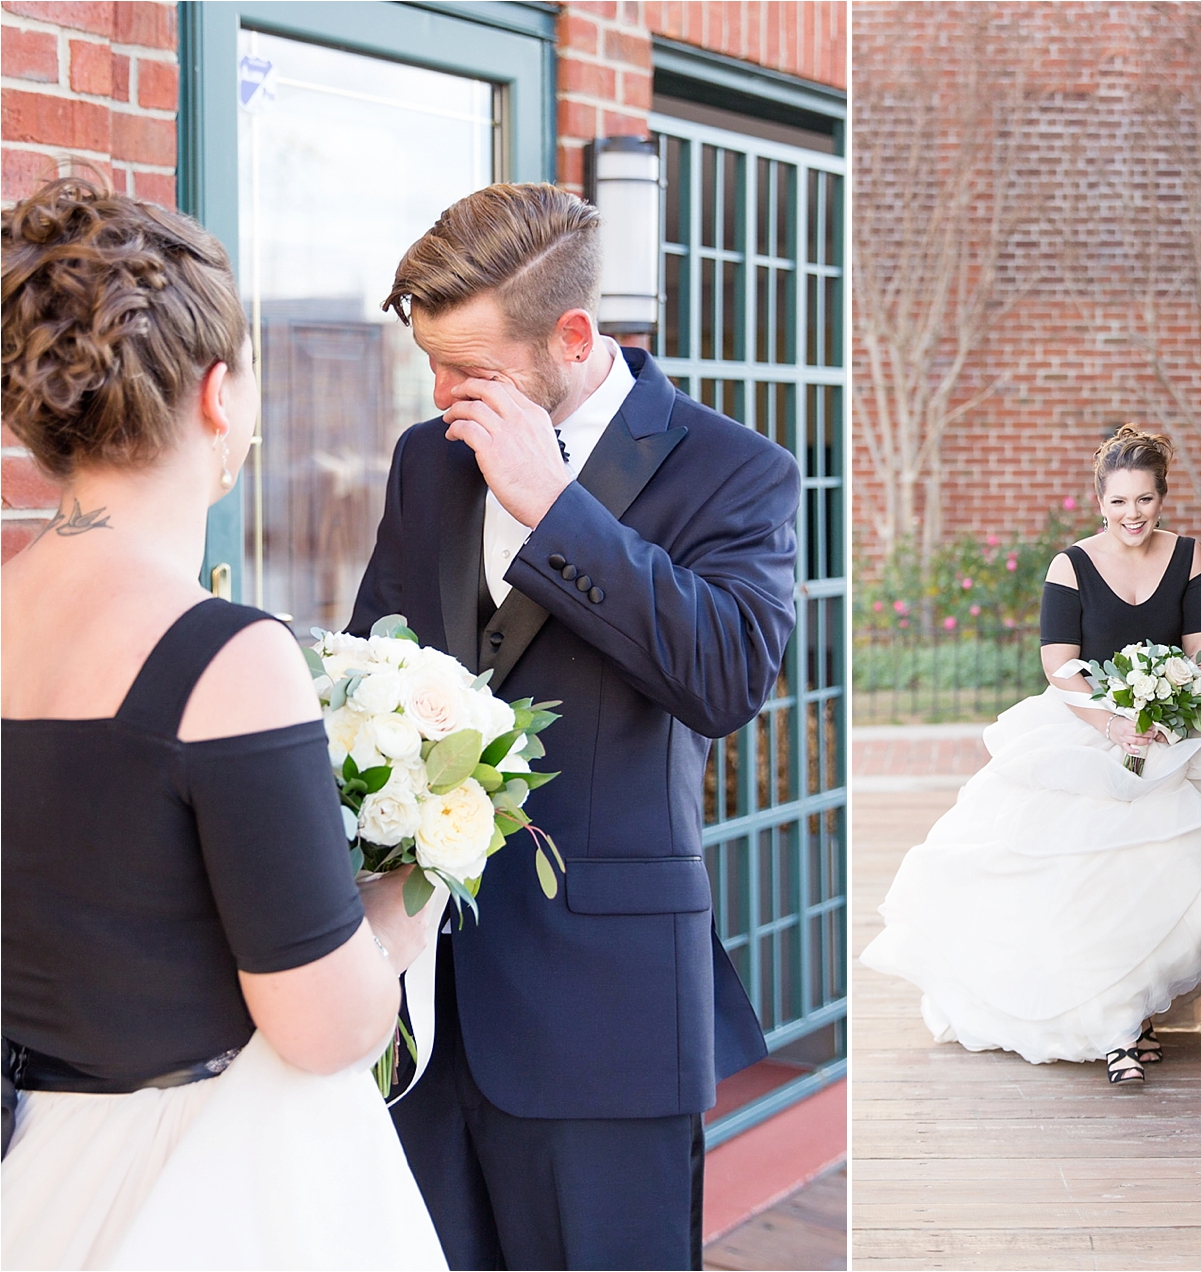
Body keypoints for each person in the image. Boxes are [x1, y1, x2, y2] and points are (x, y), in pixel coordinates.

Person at [349, 183, 800, 1270]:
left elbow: (728, 678)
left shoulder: (737, 470)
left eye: (473, 369)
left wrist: (559, 509)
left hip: (605, 1013)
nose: (446, 393)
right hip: (425, 1001)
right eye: (431, 363)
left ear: (574, 335)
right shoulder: (426, 458)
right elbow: (376, 658)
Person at [0, 179, 445, 1269]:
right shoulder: (227, 658)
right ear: (216, 393)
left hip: (37, 1174)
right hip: (199, 1188)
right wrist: (408, 894)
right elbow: (326, 1028)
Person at [861, 427, 1201, 1083]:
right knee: (1093, 876)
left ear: (1161, 498)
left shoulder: (1190, 558)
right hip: (1088, 726)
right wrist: (1114, 724)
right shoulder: (1071, 566)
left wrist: (1171, 706)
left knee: (1184, 870)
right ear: (1100, 501)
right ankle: (1112, 1027)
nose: (1132, 514)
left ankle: (1138, 1016)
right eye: (1119, 502)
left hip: (1174, 727)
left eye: (1144, 500)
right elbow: (1058, 665)